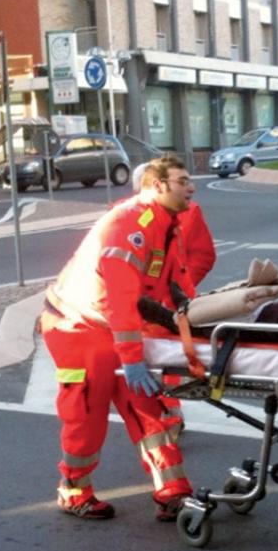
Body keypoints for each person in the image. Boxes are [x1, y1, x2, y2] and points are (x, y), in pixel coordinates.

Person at [40, 155, 197, 521]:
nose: (191, 188)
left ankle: (172, 490)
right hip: (77, 326)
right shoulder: (131, 224)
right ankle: (73, 491)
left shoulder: (166, 224)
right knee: (87, 411)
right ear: (158, 186)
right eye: (183, 181)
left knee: (148, 407)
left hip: (115, 326)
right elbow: (119, 297)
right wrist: (131, 357)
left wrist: (192, 322)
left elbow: (175, 284)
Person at [132, 160, 216, 435]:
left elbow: (203, 255)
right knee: (150, 358)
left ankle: (168, 414)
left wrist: (178, 286)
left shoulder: (188, 212)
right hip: (140, 302)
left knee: (163, 359)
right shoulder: (126, 216)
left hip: (167, 301)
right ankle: (162, 414)